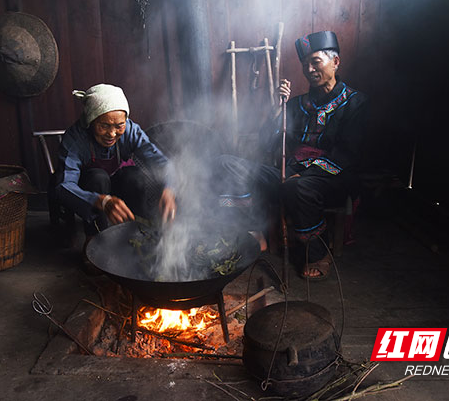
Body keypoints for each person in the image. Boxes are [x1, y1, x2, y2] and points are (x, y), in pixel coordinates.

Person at [214, 31, 368, 280]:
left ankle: (319, 253)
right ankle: (252, 232)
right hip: (290, 176)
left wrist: (303, 173)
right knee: (225, 163)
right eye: (305, 64)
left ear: (335, 62)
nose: (308, 69)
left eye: (315, 61)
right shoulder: (295, 104)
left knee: (299, 186)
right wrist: (277, 108)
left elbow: (347, 154)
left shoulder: (355, 102)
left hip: (331, 178)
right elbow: (268, 142)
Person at [54, 84, 177, 249]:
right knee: (97, 177)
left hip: (115, 185)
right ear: (91, 121)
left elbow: (162, 164)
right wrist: (102, 201)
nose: (112, 134)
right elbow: (63, 186)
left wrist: (169, 188)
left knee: (134, 175)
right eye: (104, 126)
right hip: (89, 190)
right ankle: (94, 240)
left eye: (119, 126)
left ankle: (136, 234)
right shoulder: (76, 139)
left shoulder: (131, 132)